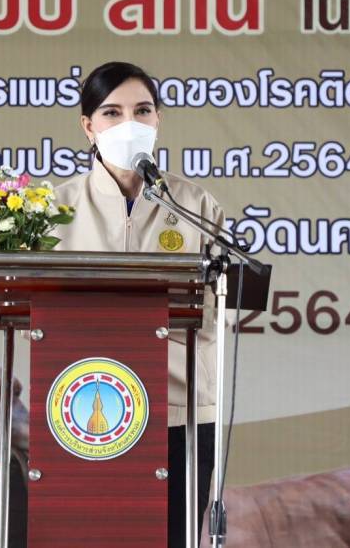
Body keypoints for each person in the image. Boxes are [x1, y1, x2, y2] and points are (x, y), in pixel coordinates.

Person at [52, 61, 224, 547]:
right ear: (89, 126)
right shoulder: (53, 209)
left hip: (180, 411)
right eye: (112, 112)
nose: (129, 123)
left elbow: (217, 309)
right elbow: (33, 318)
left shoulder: (195, 206)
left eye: (142, 110)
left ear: (158, 120)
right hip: (83, 409)